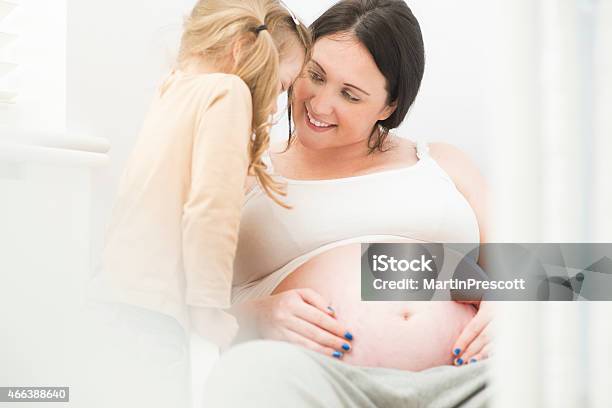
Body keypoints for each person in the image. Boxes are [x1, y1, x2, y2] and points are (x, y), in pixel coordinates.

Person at [203, 0, 492, 406]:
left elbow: (560, 275)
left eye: (350, 95)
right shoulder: (246, 167)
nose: (319, 105)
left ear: (389, 107)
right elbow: (177, 308)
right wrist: (255, 318)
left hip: (473, 379)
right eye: (314, 75)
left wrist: (513, 309)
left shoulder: (443, 163)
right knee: (244, 376)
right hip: (310, 378)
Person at [81, 1, 311, 407]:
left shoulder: (174, 87)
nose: (276, 107)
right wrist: (208, 309)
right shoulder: (230, 92)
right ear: (244, 50)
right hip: (154, 317)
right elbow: (211, 212)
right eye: (279, 87)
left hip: (112, 297)